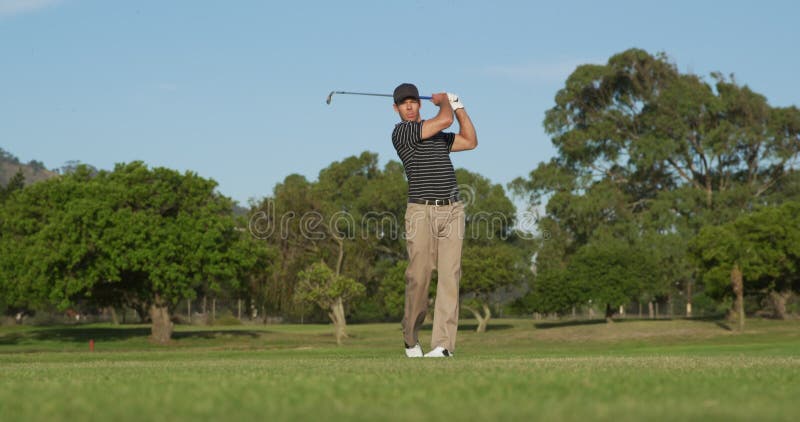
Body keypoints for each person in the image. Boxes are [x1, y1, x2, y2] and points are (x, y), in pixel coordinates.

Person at [390, 83, 477, 358]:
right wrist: (444, 103)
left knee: (450, 276)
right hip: (420, 211)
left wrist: (459, 105)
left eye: (413, 101)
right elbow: (445, 118)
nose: (409, 106)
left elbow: (470, 140)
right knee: (420, 276)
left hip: (452, 210)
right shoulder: (402, 132)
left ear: (419, 104)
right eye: (404, 103)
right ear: (397, 109)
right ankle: (410, 337)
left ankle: (443, 345)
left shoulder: (438, 134)